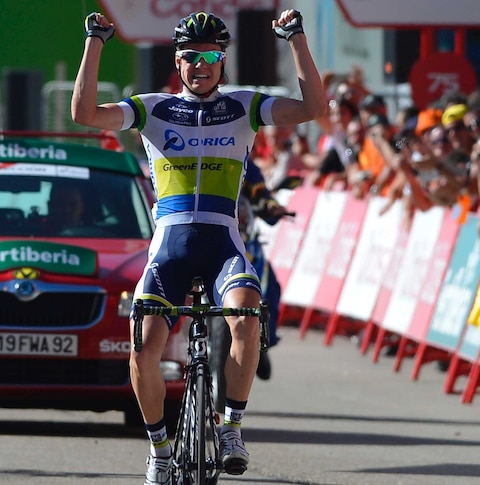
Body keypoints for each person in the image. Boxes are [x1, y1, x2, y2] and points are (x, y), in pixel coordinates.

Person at [70, 9, 326, 484]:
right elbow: (84, 115)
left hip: (222, 242)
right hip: (169, 246)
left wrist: (295, 39)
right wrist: (95, 43)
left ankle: (230, 429)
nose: (200, 65)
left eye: (210, 56)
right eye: (191, 56)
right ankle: (160, 450)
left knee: (249, 316)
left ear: (222, 61)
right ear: (178, 61)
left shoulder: (244, 106)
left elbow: (313, 108)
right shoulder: (154, 108)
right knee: (144, 345)